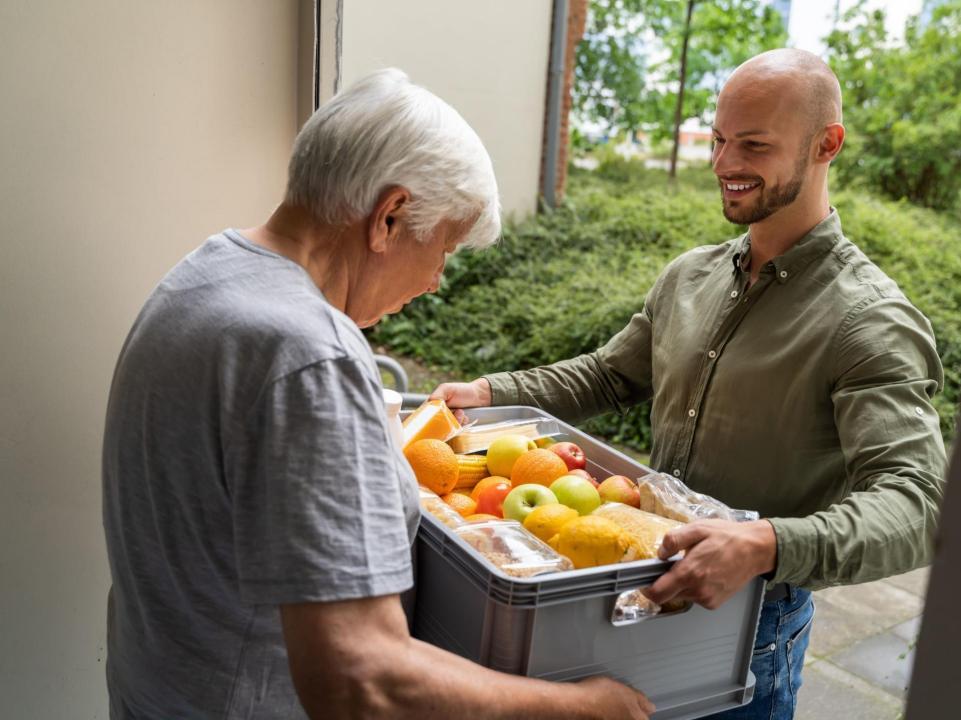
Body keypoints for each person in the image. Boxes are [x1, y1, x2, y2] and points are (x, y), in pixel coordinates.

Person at [101, 69, 654, 719]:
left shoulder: (201, 275)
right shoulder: (310, 355)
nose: (436, 282)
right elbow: (359, 681)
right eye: (443, 246)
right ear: (389, 217)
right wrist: (581, 708)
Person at [432, 49, 947, 719]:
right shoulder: (687, 276)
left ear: (827, 144)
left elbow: (917, 505)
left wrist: (767, 543)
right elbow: (607, 374)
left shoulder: (868, 321)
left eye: (753, 145)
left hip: (751, 629)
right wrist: (490, 393)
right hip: (629, 583)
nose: (724, 164)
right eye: (719, 139)